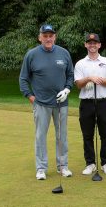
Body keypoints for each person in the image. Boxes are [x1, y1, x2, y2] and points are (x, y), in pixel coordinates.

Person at [19, 24, 74, 180]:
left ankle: (63, 166)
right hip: (41, 103)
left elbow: (70, 74)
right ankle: (41, 168)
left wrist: (67, 89)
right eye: (45, 35)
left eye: (51, 35)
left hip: (61, 103)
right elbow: (23, 78)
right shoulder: (32, 55)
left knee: (61, 136)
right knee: (40, 136)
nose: (48, 38)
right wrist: (30, 97)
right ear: (40, 37)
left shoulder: (64, 53)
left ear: (54, 37)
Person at [74, 33, 106, 175]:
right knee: (87, 134)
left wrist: (99, 80)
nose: (92, 45)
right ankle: (90, 163)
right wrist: (89, 78)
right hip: (86, 103)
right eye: (89, 43)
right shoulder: (80, 63)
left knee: (105, 134)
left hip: (103, 103)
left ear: (99, 45)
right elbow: (79, 84)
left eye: (95, 43)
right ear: (86, 45)